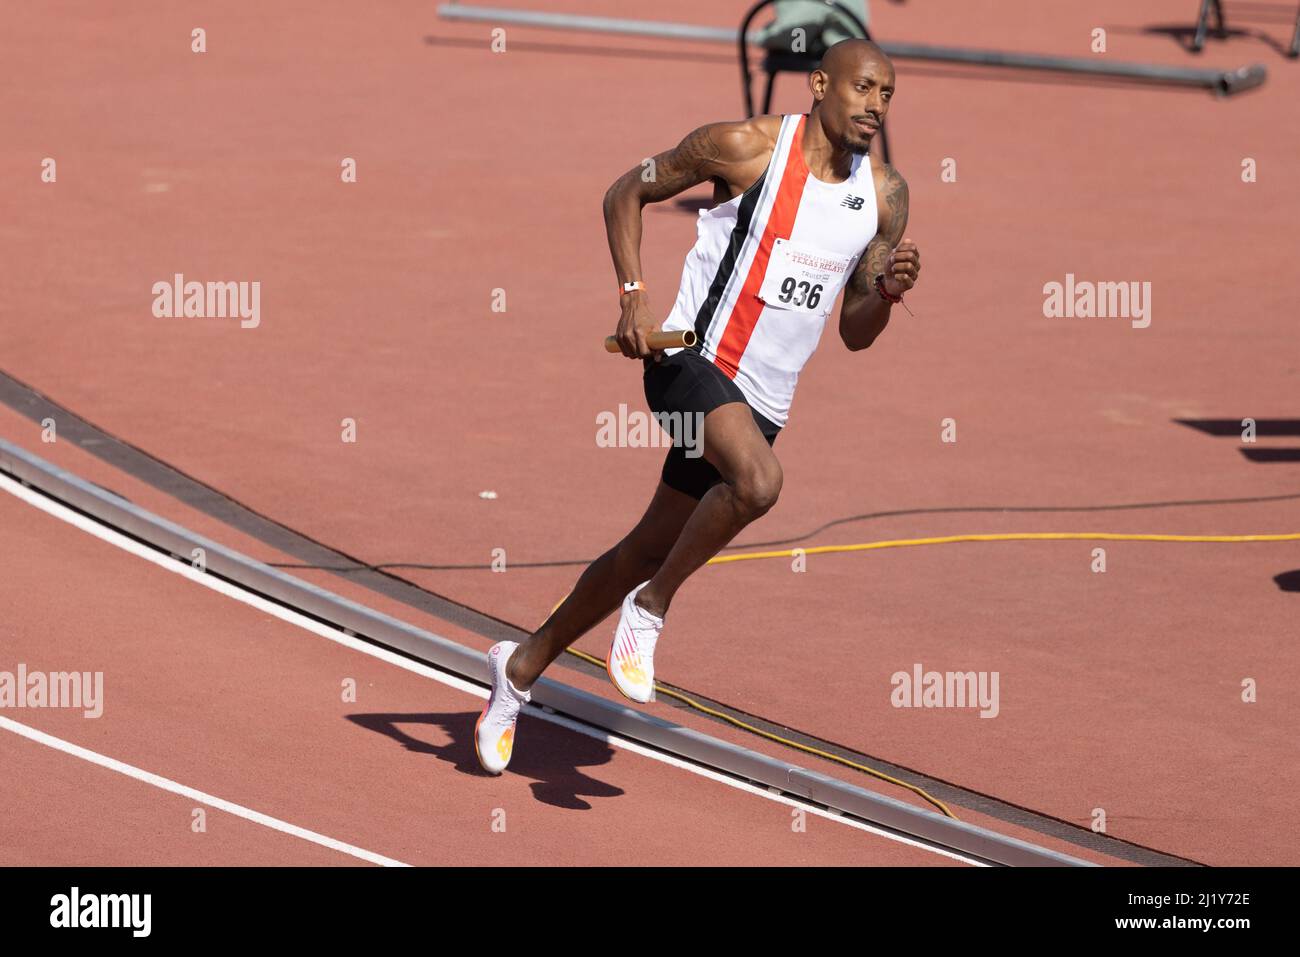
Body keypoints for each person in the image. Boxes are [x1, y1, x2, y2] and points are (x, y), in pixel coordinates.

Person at [475, 39, 921, 774]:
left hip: (762, 403)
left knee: (646, 543)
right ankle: (650, 609)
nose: (876, 105)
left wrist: (889, 293)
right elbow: (626, 191)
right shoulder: (741, 147)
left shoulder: (885, 197)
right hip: (686, 363)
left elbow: (855, 333)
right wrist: (631, 296)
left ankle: (518, 668)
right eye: (864, 87)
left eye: (888, 95)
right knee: (760, 483)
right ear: (818, 84)